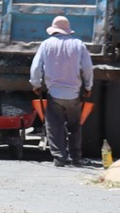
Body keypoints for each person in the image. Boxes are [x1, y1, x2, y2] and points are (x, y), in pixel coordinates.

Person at [31, 14, 94, 167]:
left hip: (54, 94)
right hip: (74, 94)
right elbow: (87, 68)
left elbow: (36, 67)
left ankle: (59, 157)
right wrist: (88, 86)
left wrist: (36, 84)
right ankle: (76, 158)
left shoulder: (46, 44)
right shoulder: (79, 45)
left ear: (53, 30)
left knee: (54, 125)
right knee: (74, 126)